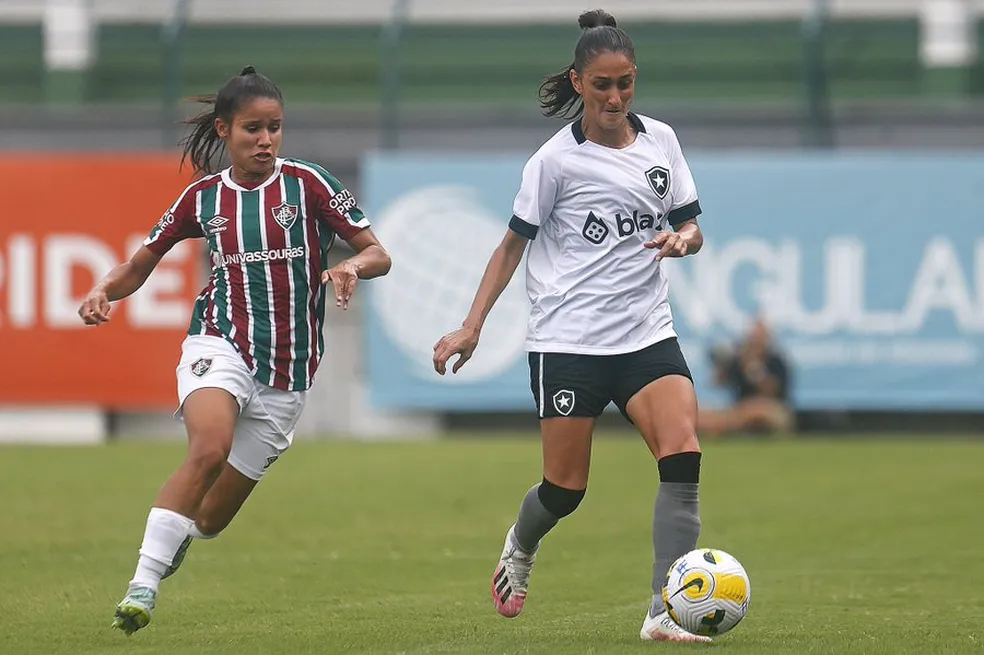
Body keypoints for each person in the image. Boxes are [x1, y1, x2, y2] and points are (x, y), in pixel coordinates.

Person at [78, 66, 391, 635]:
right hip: (220, 340)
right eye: (253, 129)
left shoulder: (310, 185)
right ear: (225, 130)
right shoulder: (204, 197)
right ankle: (141, 587)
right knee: (208, 449)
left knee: (212, 518)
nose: (266, 140)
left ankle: (181, 535)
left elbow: (378, 252)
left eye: (274, 128)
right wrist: (105, 289)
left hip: (289, 373)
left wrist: (350, 265)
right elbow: (141, 262)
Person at [433, 9, 711, 644]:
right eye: (604, 84)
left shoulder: (661, 141)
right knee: (565, 489)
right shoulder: (554, 162)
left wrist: (682, 241)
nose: (616, 97)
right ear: (579, 83)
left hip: (646, 333)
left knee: (684, 454)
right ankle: (521, 546)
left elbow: (692, 225)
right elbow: (510, 248)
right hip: (569, 343)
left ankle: (664, 610)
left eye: (627, 83)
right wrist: (472, 325)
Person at [700, 317, 795, 437]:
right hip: (741, 409)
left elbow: (772, 391)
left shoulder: (776, 361)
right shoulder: (739, 360)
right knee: (707, 413)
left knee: (755, 410)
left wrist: (754, 370)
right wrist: (722, 363)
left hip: (773, 409)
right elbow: (717, 382)